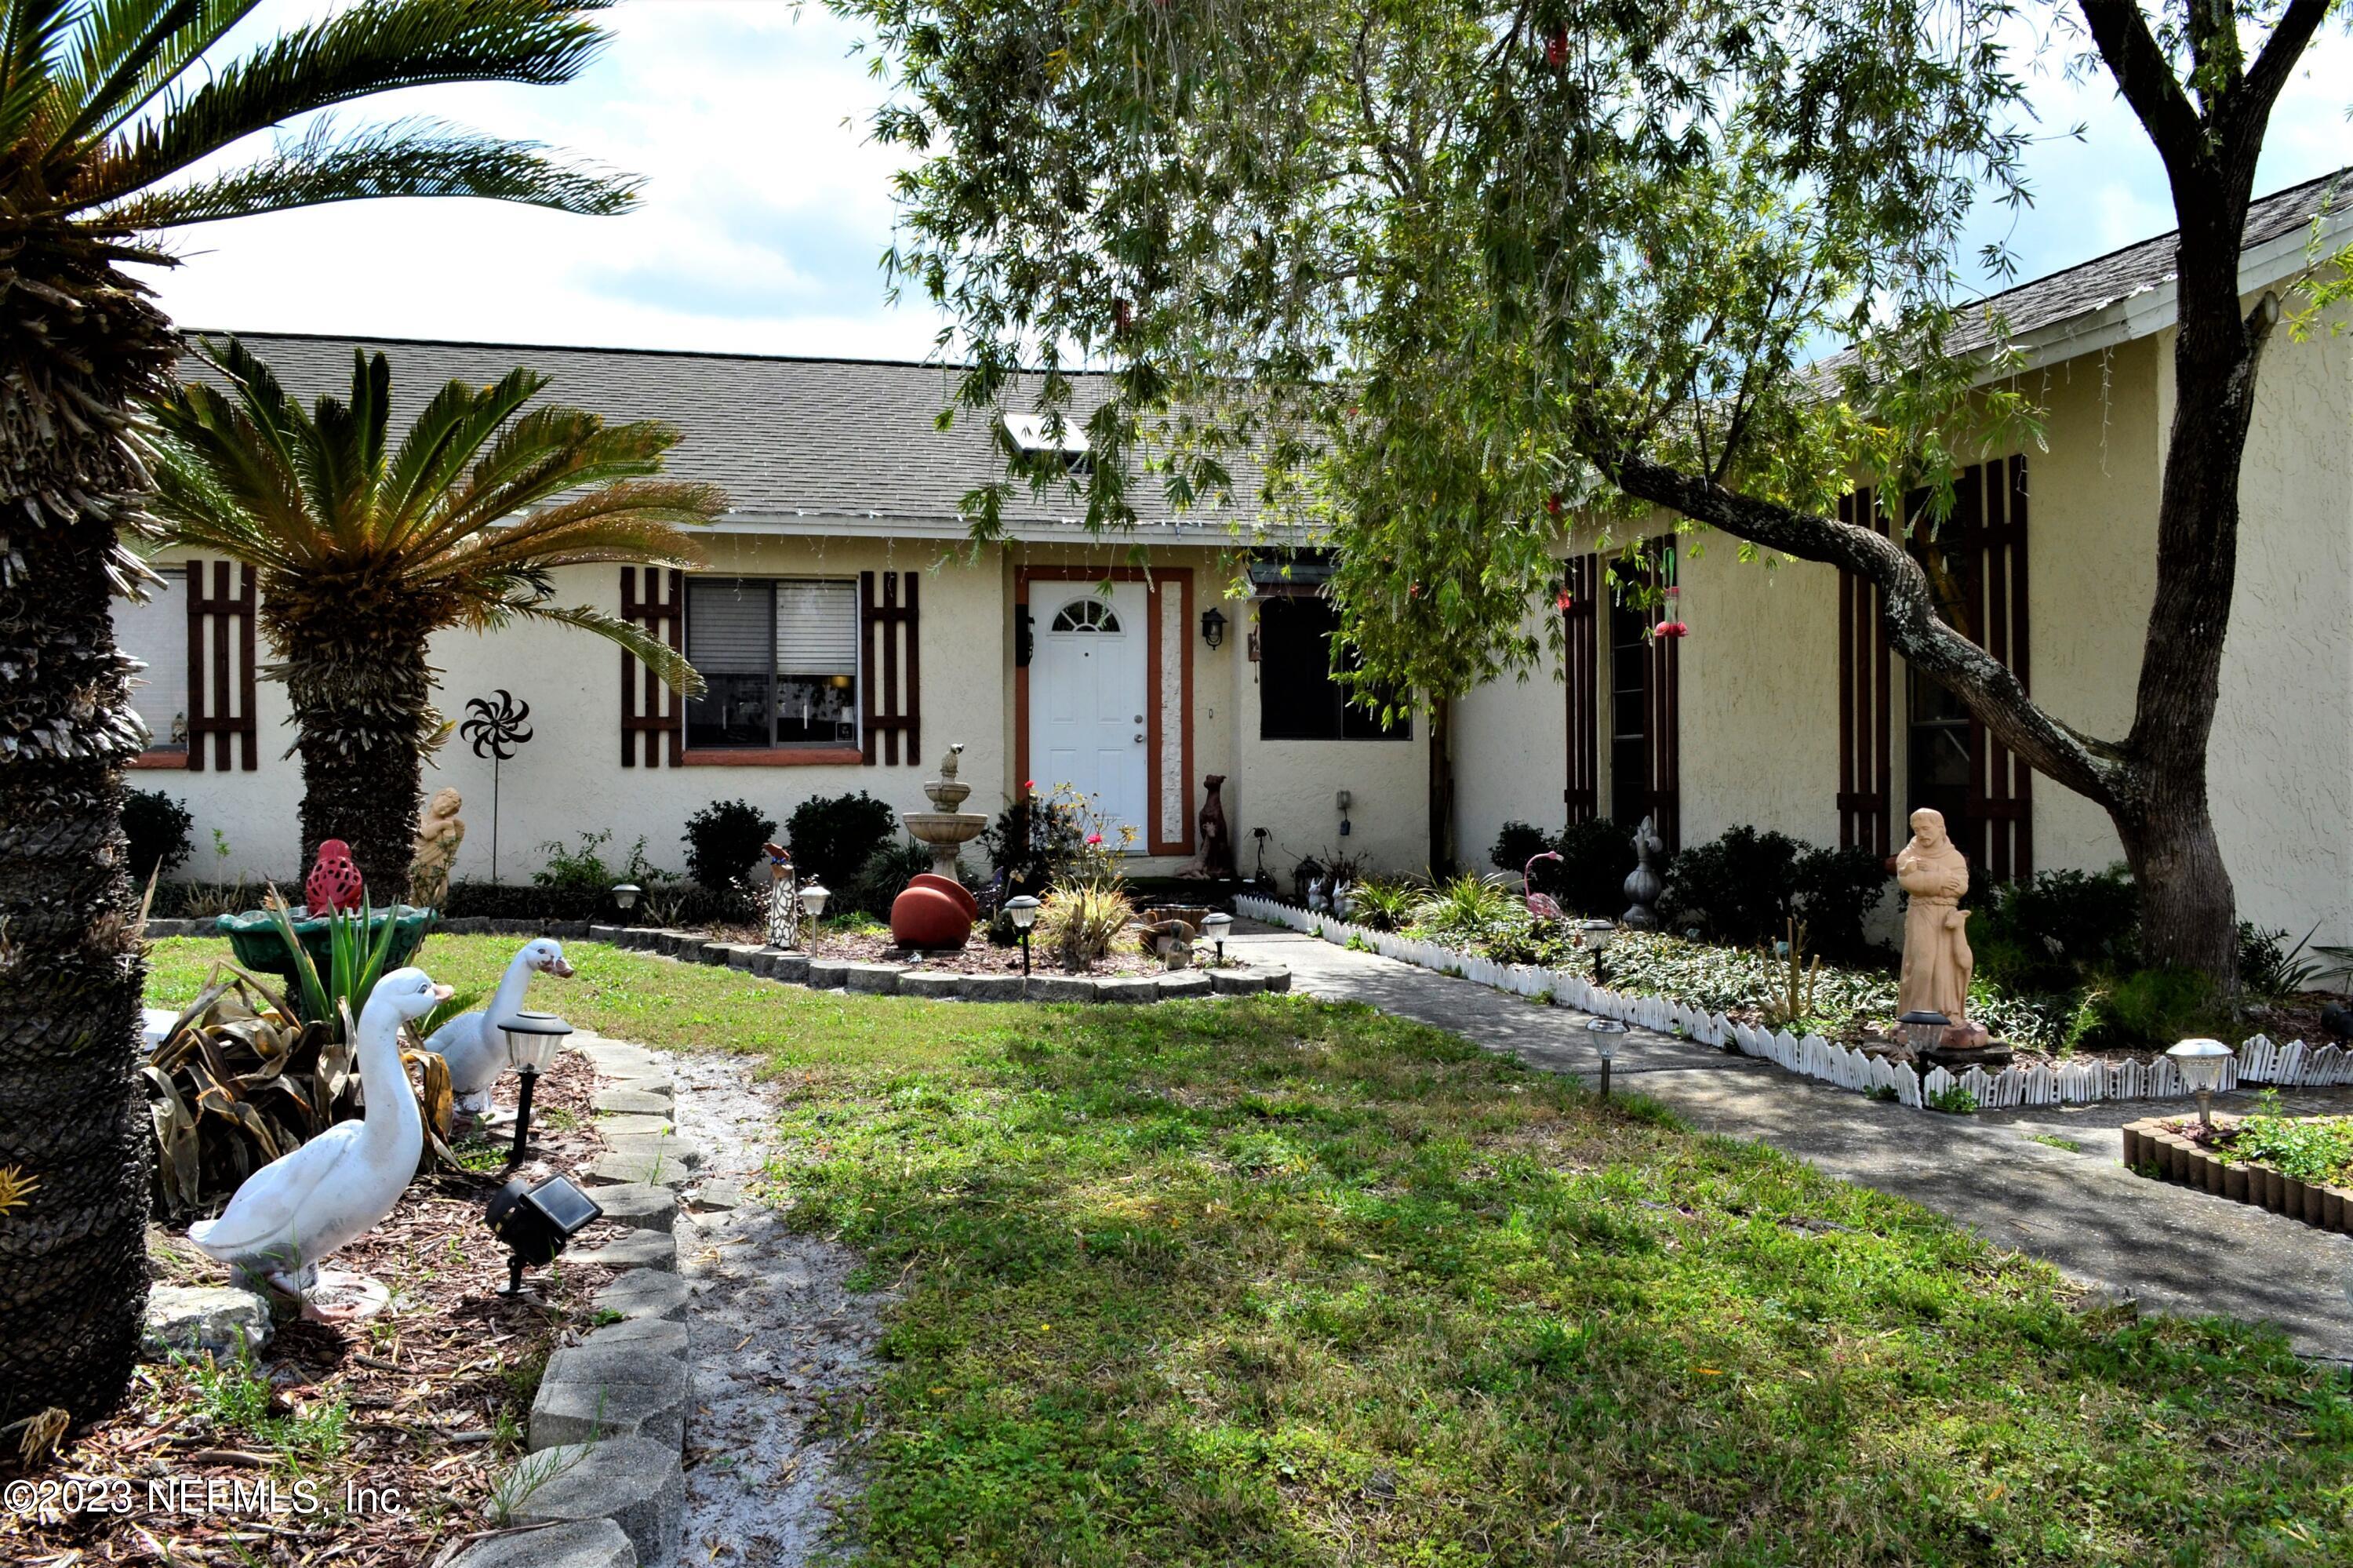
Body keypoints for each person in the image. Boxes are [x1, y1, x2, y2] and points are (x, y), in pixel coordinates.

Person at [1896, 807, 1973, 1027]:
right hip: (1922, 912)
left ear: (1940, 828)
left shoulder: (1953, 856)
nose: (1921, 834)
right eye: (1917, 829)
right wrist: (1940, 880)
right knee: (1923, 961)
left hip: (1946, 916)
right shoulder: (1909, 855)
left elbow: (1960, 887)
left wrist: (1936, 870)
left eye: (1926, 828)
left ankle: (1947, 1012)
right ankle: (1917, 1012)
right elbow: (1910, 883)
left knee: (1946, 966)